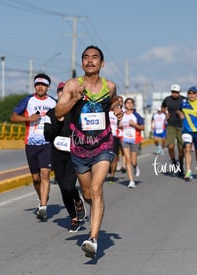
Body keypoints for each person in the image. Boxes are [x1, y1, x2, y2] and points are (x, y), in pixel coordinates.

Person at [55, 45, 122, 258]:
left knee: (96, 188)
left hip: (103, 144)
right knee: (87, 193)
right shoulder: (72, 85)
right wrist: (75, 98)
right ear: (81, 62)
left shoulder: (109, 86)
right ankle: (94, 209)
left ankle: (92, 239)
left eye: (94, 58)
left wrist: (117, 108)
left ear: (102, 63)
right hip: (79, 147)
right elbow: (58, 111)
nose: (90, 61)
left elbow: (113, 101)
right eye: (86, 58)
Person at [10, 73, 57, 221]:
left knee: (45, 174)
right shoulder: (28, 100)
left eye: (43, 85)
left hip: (47, 143)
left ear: (48, 87)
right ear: (35, 86)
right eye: (38, 84)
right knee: (36, 178)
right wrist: (28, 118)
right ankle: (42, 196)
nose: (40, 87)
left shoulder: (54, 102)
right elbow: (13, 117)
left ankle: (43, 207)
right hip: (31, 144)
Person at [43, 81, 86, 232]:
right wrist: (57, 122)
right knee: (62, 187)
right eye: (60, 91)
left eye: (65, 91)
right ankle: (74, 218)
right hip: (57, 154)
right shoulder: (51, 113)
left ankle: (77, 200)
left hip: (75, 153)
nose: (62, 93)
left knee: (69, 186)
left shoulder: (77, 111)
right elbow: (47, 135)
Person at [161, 84, 186, 177]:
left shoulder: (184, 99)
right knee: (170, 146)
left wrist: (182, 114)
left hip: (181, 126)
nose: (175, 94)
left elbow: (189, 110)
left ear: (179, 93)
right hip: (171, 125)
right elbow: (163, 107)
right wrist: (165, 113)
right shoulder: (167, 99)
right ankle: (174, 161)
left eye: (176, 92)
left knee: (181, 149)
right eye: (173, 92)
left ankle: (181, 167)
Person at [119, 97, 144, 188]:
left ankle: (135, 166)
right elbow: (119, 125)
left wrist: (134, 124)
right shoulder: (122, 115)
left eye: (131, 103)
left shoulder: (136, 115)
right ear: (125, 105)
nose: (129, 104)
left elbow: (142, 127)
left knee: (133, 160)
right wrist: (119, 125)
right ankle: (131, 181)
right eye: (127, 103)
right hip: (124, 139)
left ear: (133, 105)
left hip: (134, 139)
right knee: (127, 159)